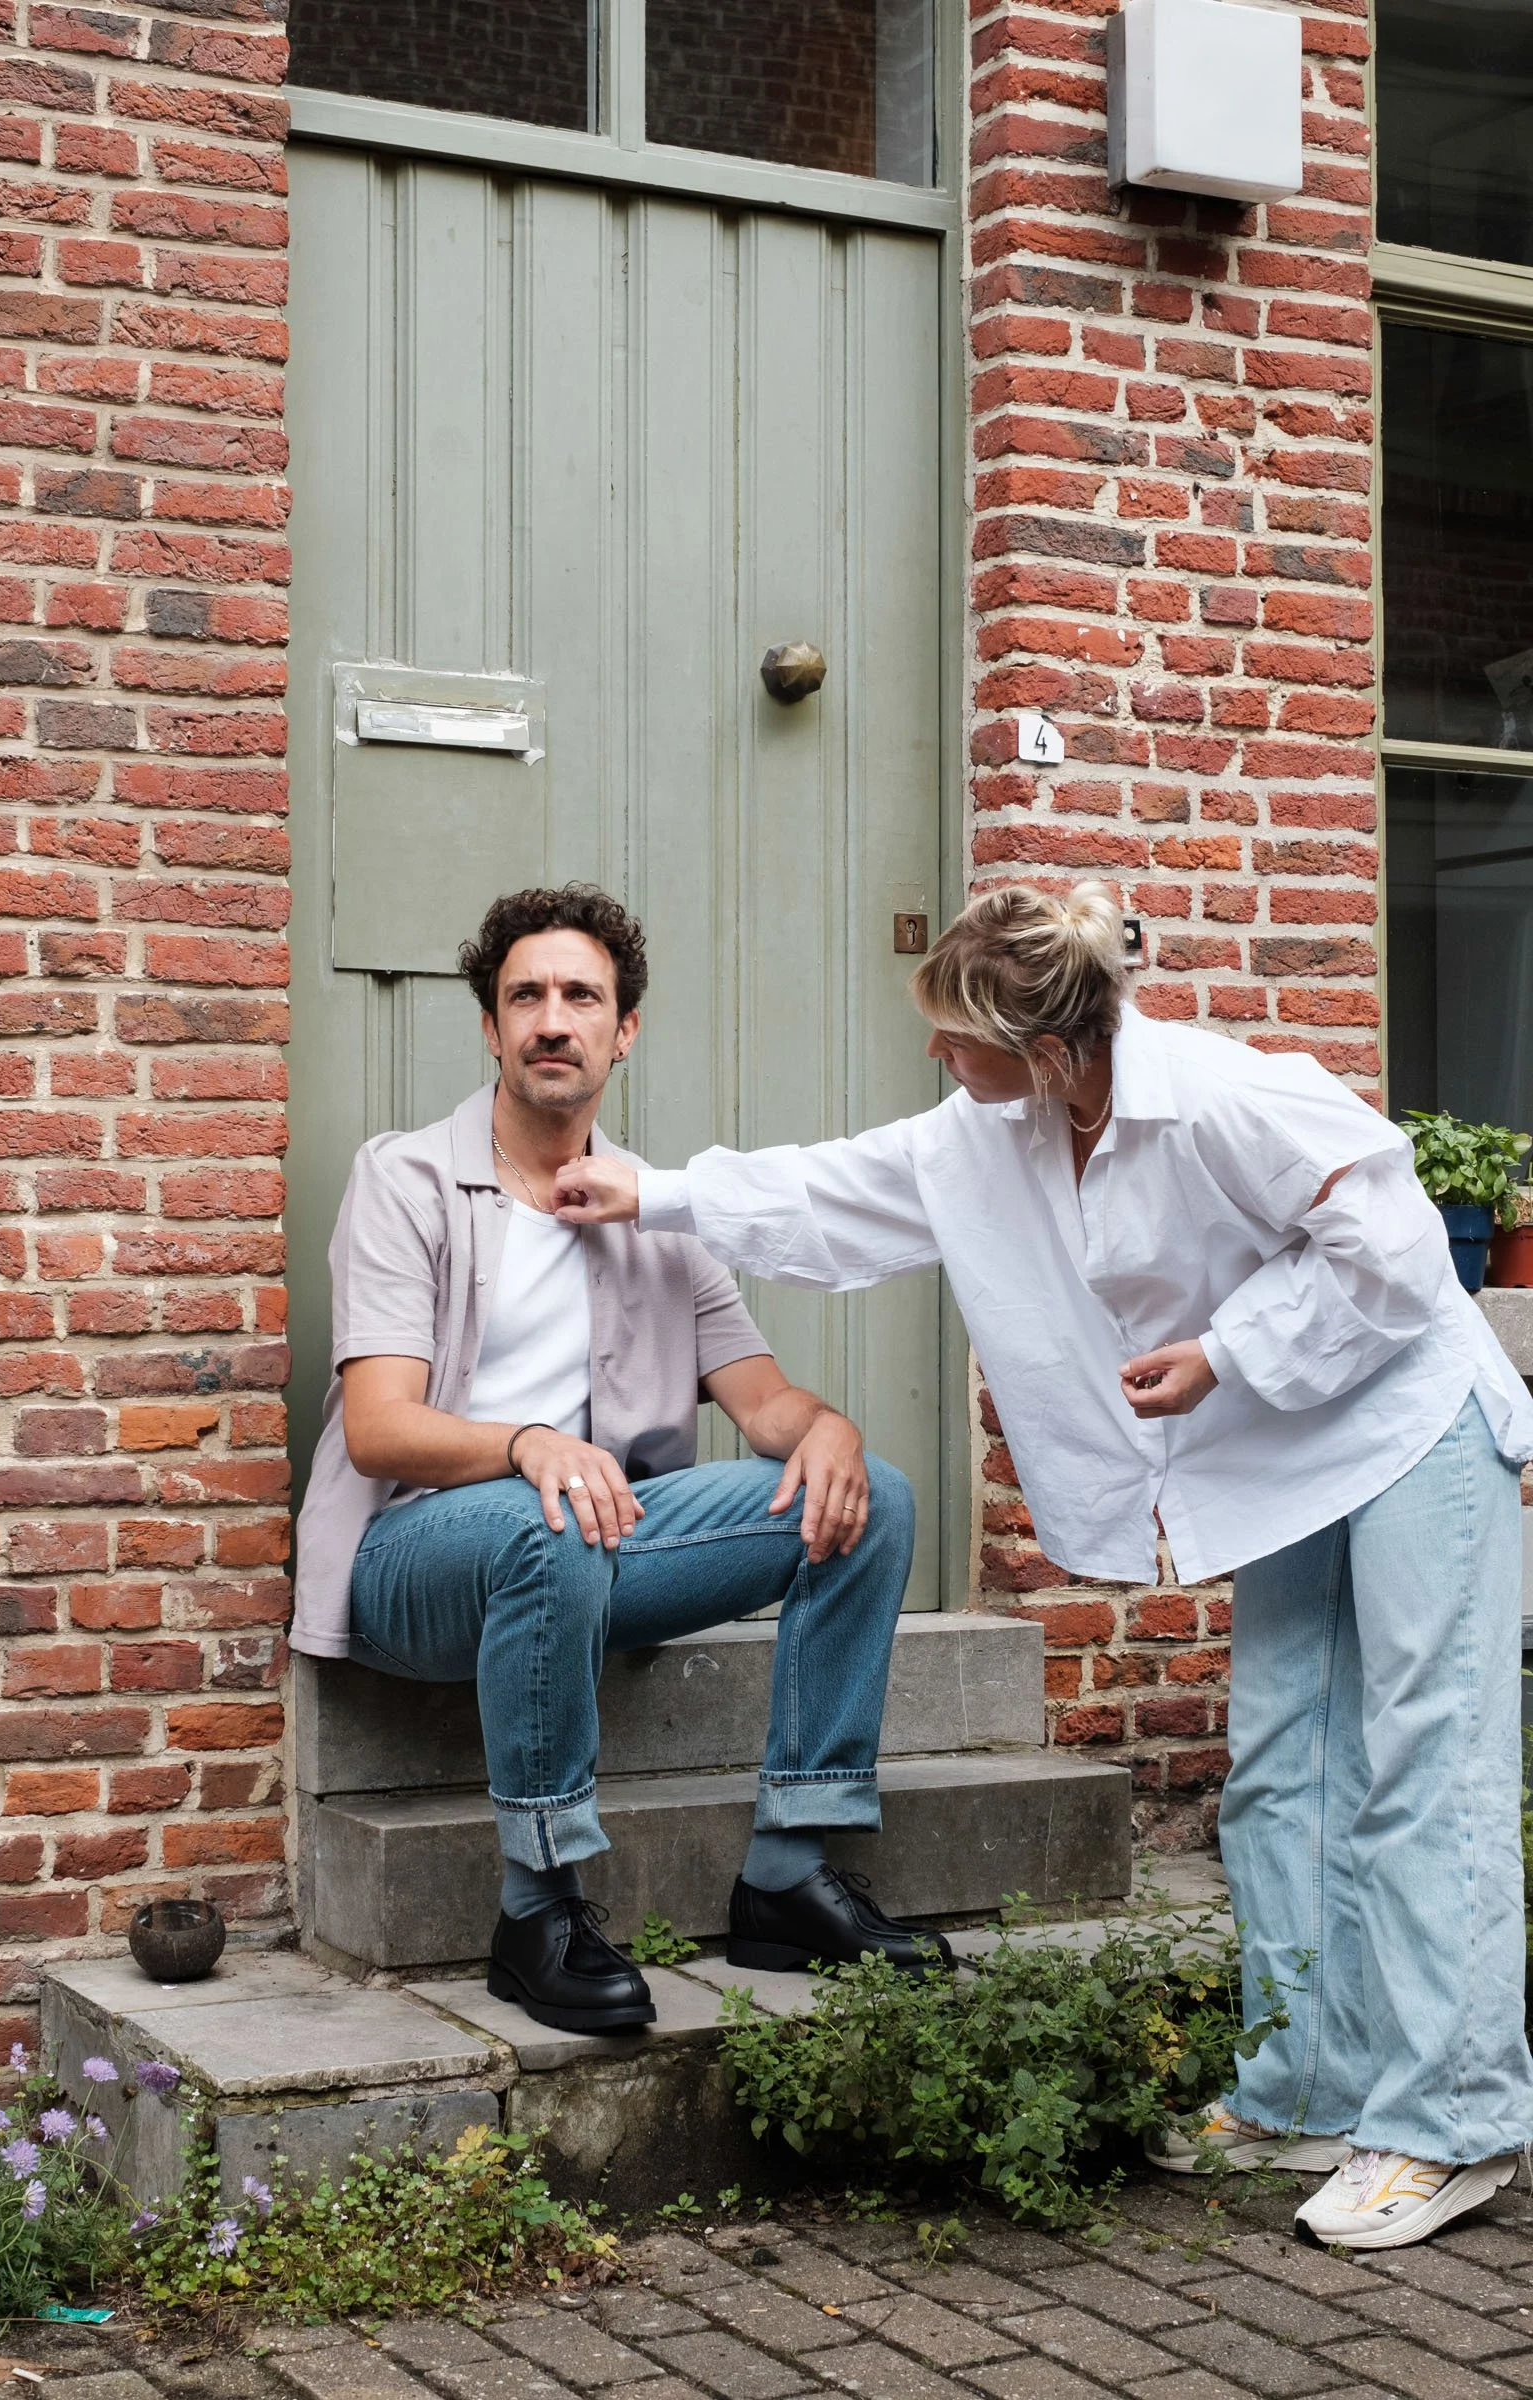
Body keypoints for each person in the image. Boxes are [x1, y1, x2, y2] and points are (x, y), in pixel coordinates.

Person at [553, 876, 1533, 2251]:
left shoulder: (1214, 1096)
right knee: (1288, 1771)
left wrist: (1231, 1351)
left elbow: (1393, 1246)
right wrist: (654, 1191)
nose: (940, 1062)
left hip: (1407, 1419)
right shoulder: (991, 1134)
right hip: (1291, 1459)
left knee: (1425, 1768)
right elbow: (839, 1192)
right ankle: (1305, 2082)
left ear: (1053, 1052)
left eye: (959, 1042)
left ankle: (1452, 2124)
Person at [290, 882, 948, 2038]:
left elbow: (765, 1404)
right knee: (547, 1518)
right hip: (421, 1557)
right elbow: (377, 1428)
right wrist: (528, 1443)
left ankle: (788, 1873)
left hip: (597, 1548)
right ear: (492, 1029)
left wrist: (829, 1425)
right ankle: (536, 1906)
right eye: (526, 997)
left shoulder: (661, 1212)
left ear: (622, 1029)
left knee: (873, 1498)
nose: (554, 1019)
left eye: (580, 996)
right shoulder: (409, 1181)